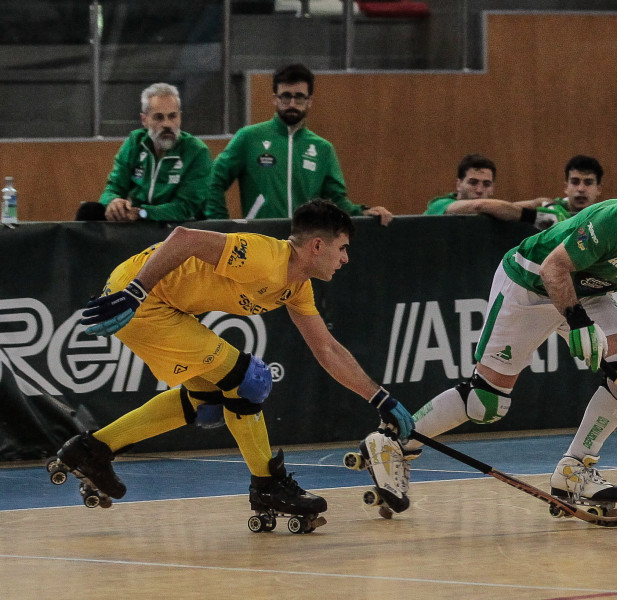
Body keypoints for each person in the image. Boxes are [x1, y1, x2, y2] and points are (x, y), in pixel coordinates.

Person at [362, 181, 617, 514]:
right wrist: (577, 321)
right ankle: (393, 440)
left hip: (588, 292)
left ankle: (575, 468)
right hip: (531, 282)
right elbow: (554, 268)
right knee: (485, 402)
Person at [53, 200, 414, 529]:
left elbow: (328, 350)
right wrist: (135, 291)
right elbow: (183, 237)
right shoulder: (263, 257)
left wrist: (380, 398)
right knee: (249, 381)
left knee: (208, 400)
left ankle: (92, 450)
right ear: (317, 246)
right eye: (343, 248)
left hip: (164, 305)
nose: (346, 258)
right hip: (140, 298)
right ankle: (269, 485)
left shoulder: (297, 285)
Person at [205, 63, 392, 225]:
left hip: (304, 245)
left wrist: (362, 212)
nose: (292, 103)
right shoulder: (249, 138)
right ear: (275, 99)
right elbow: (214, 180)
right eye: (286, 96)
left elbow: (337, 200)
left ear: (309, 101)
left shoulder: (322, 149)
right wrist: (220, 223)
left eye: (299, 97)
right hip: (260, 240)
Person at [75, 83, 212, 222]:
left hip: (179, 229)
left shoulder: (197, 151)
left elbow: (185, 208)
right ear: (144, 120)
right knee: (89, 211)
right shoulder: (135, 143)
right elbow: (113, 187)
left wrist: (143, 213)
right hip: (138, 224)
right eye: (159, 117)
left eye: (172, 116)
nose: (167, 124)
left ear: (180, 117)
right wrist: (114, 202)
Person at [426, 154, 604, 230]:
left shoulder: (602, 213)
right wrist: (536, 217)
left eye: (486, 184)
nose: (479, 190)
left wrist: (539, 202)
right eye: (473, 182)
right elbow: (480, 205)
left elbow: (508, 208)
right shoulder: (439, 205)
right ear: (458, 184)